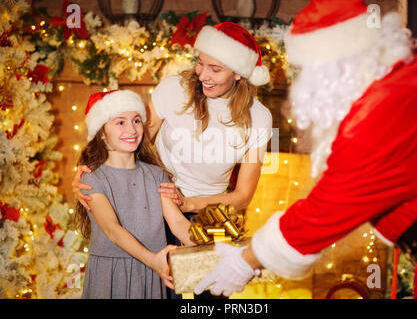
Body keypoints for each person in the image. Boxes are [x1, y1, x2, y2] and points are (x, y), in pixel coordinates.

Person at [194, 0, 417, 299]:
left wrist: (242, 263)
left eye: (307, 71)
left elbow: (319, 215)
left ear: (330, 70)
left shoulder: (378, 116)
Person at [72, 22, 273, 298]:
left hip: (211, 215)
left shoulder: (260, 118)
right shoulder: (174, 89)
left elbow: (243, 195)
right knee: (157, 288)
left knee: (207, 296)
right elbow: (132, 142)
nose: (203, 75)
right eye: (201, 63)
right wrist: (91, 171)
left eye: (215, 69)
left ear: (239, 73)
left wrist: (191, 203)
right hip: (157, 205)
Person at [73, 90, 194, 299]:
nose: (132, 129)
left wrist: (214, 249)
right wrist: (153, 260)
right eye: (120, 122)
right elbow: (112, 230)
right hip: (112, 274)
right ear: (101, 132)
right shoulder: (92, 177)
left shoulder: (156, 174)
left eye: (137, 120)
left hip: (152, 271)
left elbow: (178, 223)